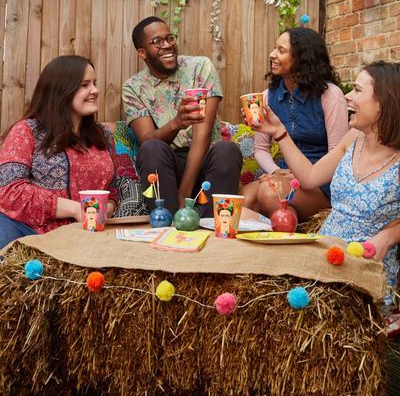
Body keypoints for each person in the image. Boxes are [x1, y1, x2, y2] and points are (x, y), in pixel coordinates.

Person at [256, 61, 400, 299]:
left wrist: (390, 236)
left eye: (357, 90)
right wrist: (279, 132)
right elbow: (310, 178)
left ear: (383, 102)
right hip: (322, 258)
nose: (346, 96)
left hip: (364, 273)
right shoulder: (354, 138)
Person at [122, 16, 243, 217]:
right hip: (169, 167)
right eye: (157, 42)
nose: (167, 45)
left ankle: (213, 229)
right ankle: (166, 225)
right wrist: (176, 123)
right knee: (151, 149)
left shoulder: (200, 67)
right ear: (142, 52)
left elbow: (202, 136)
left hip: (207, 163)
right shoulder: (133, 87)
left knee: (227, 150)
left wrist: (184, 194)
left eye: (169, 38)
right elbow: (147, 140)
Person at [0, 55, 119, 249]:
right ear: (61, 90)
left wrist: (106, 209)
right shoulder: (27, 131)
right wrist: (74, 209)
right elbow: (9, 191)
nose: (95, 91)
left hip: (88, 235)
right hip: (30, 231)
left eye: (94, 83)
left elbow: (113, 188)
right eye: (84, 85)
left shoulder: (103, 135)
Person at [241, 27, 348, 221]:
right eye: (275, 48)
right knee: (239, 201)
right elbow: (260, 149)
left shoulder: (330, 96)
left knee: (270, 193)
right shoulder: (267, 97)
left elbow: (337, 155)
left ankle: (283, 235)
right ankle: (281, 225)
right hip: (284, 175)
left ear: (303, 58)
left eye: (281, 50)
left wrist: (300, 176)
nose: (272, 55)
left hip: (320, 184)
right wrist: (275, 172)